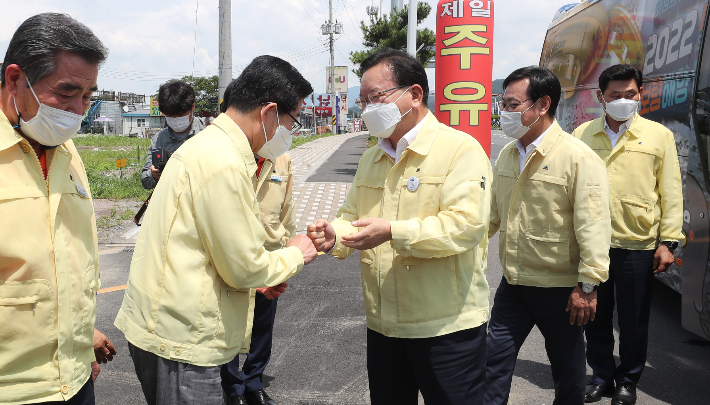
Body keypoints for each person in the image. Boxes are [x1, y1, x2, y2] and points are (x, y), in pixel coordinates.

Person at [114, 55, 317, 405]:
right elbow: (245, 267)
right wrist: (298, 252)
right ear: (268, 112)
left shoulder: (208, 147)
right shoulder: (222, 162)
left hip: (169, 329)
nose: (291, 132)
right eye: (293, 120)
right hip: (183, 342)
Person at [306, 49, 492, 405]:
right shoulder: (373, 156)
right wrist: (335, 234)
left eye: (377, 97)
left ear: (416, 94)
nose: (368, 107)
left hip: (445, 326)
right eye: (364, 99)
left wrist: (393, 231)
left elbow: (466, 226)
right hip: (384, 322)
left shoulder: (460, 150)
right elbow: (351, 213)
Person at [0, 12, 115, 405]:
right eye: (65, 93)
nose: (77, 110)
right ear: (15, 80)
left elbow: (67, 262)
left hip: (76, 378)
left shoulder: (68, 154)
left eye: (87, 96)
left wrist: (82, 338)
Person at [485, 66, 611, 405]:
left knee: (568, 375)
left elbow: (594, 226)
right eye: (503, 103)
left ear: (542, 104)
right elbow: (492, 216)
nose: (504, 112)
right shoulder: (509, 155)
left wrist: (588, 287)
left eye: (512, 105)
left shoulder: (578, 158)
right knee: (491, 364)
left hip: (561, 290)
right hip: (513, 285)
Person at [572, 64, 684, 405]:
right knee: (595, 316)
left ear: (640, 95)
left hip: (638, 243)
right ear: (601, 98)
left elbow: (672, 191)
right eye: (615, 95)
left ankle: (628, 380)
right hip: (594, 244)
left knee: (634, 321)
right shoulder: (582, 135)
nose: (623, 100)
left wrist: (668, 242)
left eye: (630, 94)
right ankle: (601, 375)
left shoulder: (658, 136)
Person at [219, 79, 295, 405]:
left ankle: (253, 382)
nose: (286, 131)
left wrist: (288, 252)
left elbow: (288, 212)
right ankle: (232, 386)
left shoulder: (283, 160)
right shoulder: (227, 159)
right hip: (233, 258)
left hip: (270, 256)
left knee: (263, 325)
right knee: (228, 323)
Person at [140, 79, 205, 190]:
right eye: (170, 116)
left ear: (192, 107)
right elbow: (145, 181)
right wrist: (153, 175)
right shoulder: (159, 139)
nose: (175, 120)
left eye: (180, 115)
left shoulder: (208, 130)